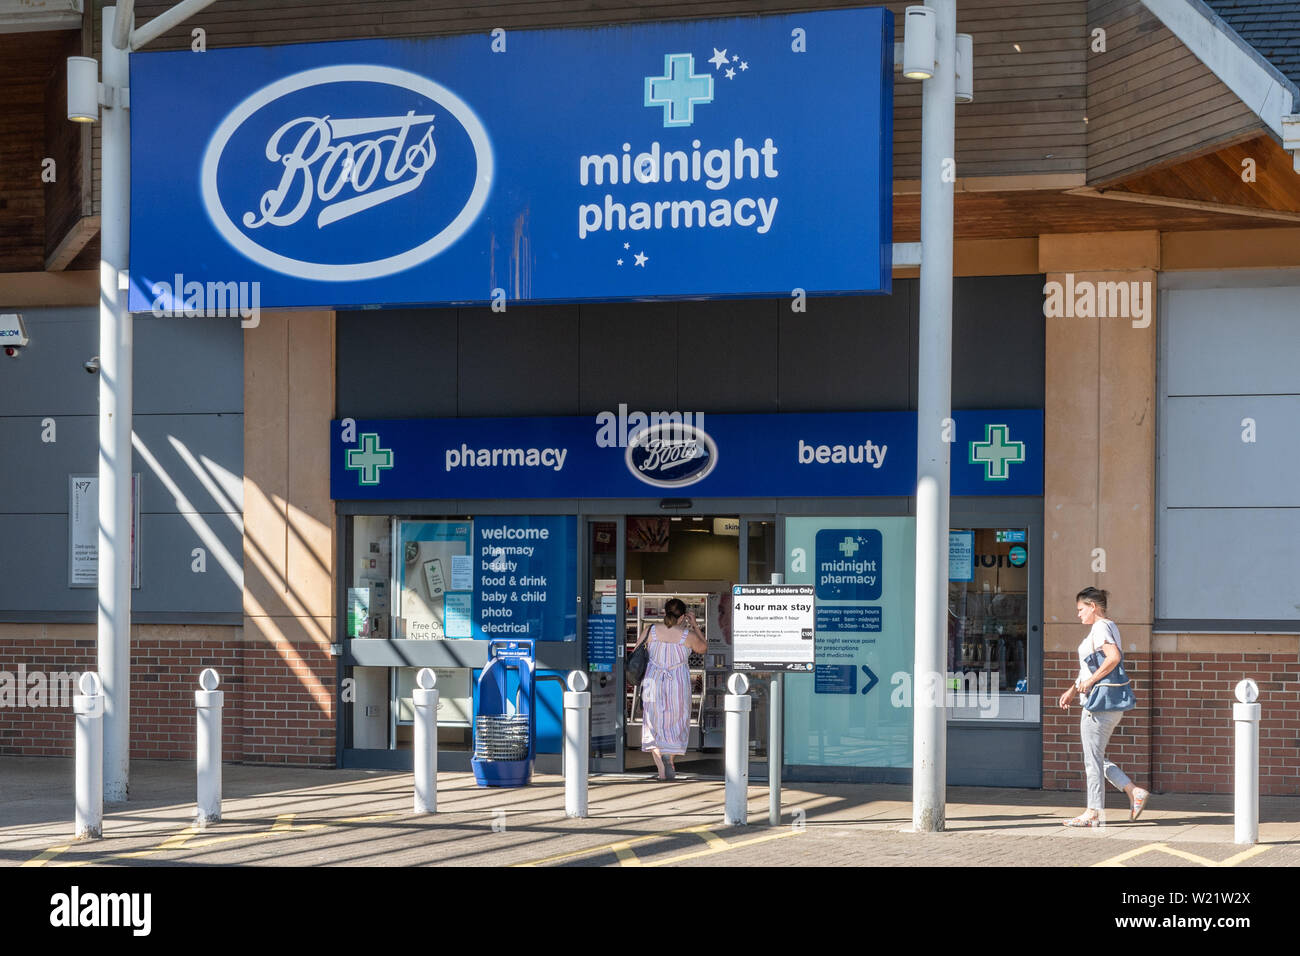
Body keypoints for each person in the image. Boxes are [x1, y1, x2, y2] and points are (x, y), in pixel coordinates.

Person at [1057, 587, 1151, 826]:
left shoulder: (1100, 627)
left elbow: (1113, 657)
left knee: (1093, 760)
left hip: (1099, 704)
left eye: (1080, 610)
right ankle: (1132, 791)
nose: (1078, 615)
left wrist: (1089, 681)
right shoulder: (1108, 627)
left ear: (1092, 607)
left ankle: (1093, 812)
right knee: (1095, 757)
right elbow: (1091, 667)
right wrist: (1073, 688)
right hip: (1106, 702)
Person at [633, 598, 705, 780]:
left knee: (652, 723)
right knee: (676, 721)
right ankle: (669, 757)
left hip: (653, 680)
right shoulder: (687, 635)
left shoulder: (651, 630)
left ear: (664, 612)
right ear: (682, 617)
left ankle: (661, 770)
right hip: (677, 683)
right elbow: (703, 648)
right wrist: (695, 625)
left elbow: (635, 651)